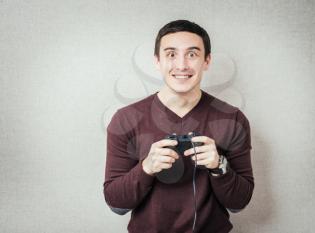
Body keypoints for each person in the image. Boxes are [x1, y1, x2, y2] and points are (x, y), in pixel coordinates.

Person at [103, 19, 254, 233]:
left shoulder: (233, 119)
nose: (182, 65)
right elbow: (116, 204)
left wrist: (219, 166)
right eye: (171, 54)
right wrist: (146, 168)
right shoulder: (126, 119)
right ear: (157, 61)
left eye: (192, 54)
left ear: (207, 61)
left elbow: (240, 204)